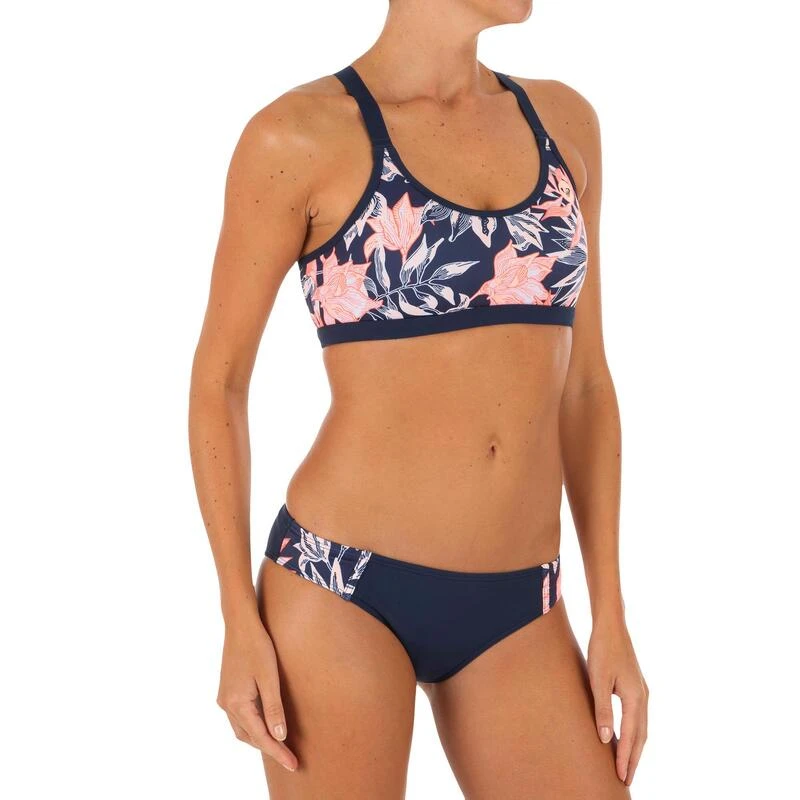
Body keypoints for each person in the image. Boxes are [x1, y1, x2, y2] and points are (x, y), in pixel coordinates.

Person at [189, 1, 648, 796]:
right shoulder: (298, 137)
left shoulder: (563, 122)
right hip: (341, 586)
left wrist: (610, 614)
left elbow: (586, 383)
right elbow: (219, 381)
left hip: (521, 604)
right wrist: (236, 613)